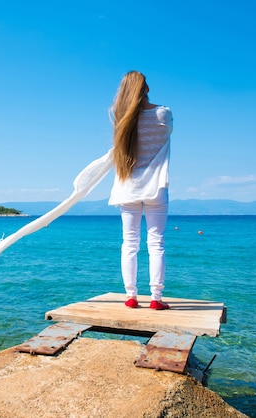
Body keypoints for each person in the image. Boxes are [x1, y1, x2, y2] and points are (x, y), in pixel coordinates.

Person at [108, 71, 173, 310]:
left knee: (130, 243)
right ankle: (156, 299)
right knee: (156, 243)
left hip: (128, 187)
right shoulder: (163, 113)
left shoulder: (121, 120)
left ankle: (131, 296)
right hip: (156, 187)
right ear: (146, 89)